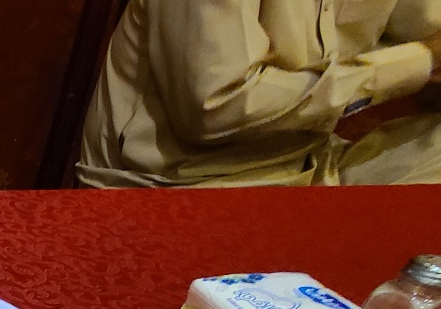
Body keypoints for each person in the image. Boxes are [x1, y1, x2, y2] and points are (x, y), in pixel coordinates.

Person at [78, 0, 441, 187]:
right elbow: (218, 108)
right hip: (180, 186)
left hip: (311, 166)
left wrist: (423, 58)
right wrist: (418, 62)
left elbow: (424, 24)